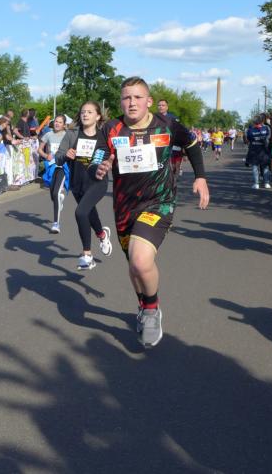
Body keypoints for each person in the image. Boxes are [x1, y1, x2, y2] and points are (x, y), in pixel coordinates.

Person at [95, 76, 210, 348]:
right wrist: (99, 167)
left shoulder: (167, 124)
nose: (132, 102)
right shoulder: (111, 129)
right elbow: (97, 156)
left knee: (141, 260)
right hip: (124, 207)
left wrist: (201, 177)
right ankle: (143, 305)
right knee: (134, 267)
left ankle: (151, 309)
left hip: (159, 202)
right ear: (120, 102)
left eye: (137, 97)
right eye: (126, 98)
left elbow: (192, 143)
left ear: (149, 101)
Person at [54, 101, 113, 270]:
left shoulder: (103, 136)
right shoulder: (72, 134)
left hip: (97, 182)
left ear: (98, 116)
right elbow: (58, 158)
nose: (85, 114)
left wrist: (105, 165)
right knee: (89, 212)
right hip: (78, 183)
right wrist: (66, 155)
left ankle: (87, 255)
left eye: (89, 112)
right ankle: (102, 234)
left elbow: (104, 159)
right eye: (83, 112)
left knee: (80, 212)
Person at [39, 115, 68, 233]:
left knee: (55, 193)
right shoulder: (48, 134)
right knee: (52, 194)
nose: (57, 124)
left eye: (60, 122)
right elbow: (39, 149)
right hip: (51, 166)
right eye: (56, 121)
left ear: (64, 125)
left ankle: (56, 223)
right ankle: (59, 200)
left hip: (62, 166)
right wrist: (46, 155)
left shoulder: (67, 135)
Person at [156, 99, 185, 176]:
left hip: (172, 144)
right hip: (158, 143)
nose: (161, 107)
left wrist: (182, 144)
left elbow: (179, 131)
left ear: (167, 107)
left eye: (163, 105)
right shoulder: (153, 117)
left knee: (173, 166)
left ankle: (174, 177)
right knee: (161, 165)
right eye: (159, 105)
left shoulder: (173, 118)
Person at [246, 114, 272, 189]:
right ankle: (266, 183)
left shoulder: (250, 130)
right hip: (264, 150)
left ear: (254, 122)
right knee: (265, 166)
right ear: (261, 121)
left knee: (255, 166)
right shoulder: (266, 128)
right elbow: (269, 137)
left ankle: (256, 184)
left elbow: (248, 139)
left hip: (254, 150)